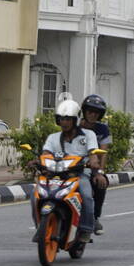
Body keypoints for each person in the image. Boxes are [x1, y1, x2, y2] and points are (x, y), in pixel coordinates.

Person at [40, 99, 99, 242]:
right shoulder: (53, 138)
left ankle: (86, 229)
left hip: (78, 175)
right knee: (35, 195)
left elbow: (93, 152)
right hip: (55, 175)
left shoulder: (88, 135)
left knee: (86, 196)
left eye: (68, 119)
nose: (64, 122)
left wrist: (93, 159)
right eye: (61, 119)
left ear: (75, 120)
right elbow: (46, 153)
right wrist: (38, 161)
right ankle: (40, 226)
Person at [79, 94, 113, 235]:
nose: (93, 115)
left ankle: (94, 217)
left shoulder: (102, 129)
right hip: (70, 164)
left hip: (91, 166)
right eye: (90, 111)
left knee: (101, 183)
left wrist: (99, 172)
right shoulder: (74, 126)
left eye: (96, 112)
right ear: (84, 111)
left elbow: (103, 152)